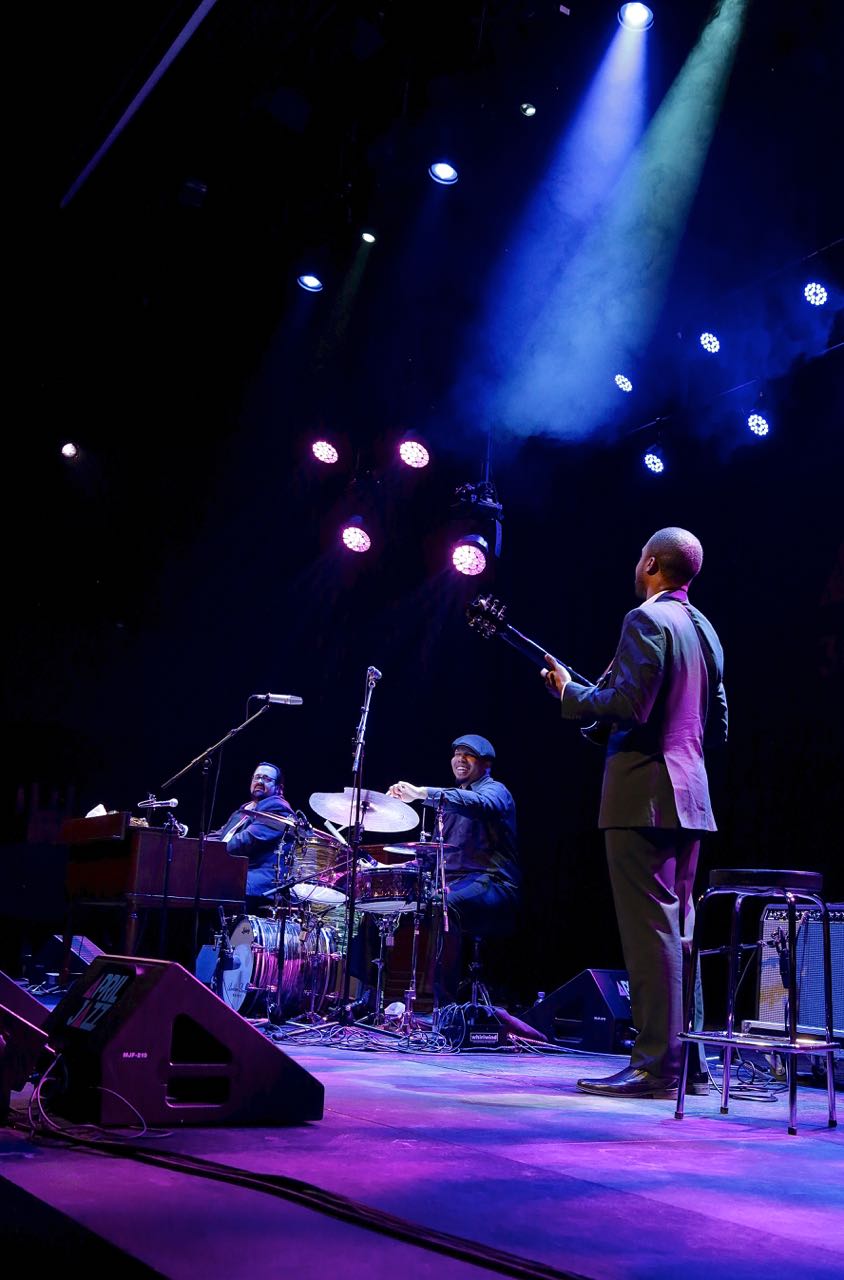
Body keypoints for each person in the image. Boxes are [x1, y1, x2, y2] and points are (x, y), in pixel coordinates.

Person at [541, 527, 727, 1099]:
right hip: (690, 796)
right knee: (679, 935)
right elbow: (717, 724)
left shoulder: (646, 619)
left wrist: (571, 694)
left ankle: (654, 1067)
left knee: (651, 937)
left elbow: (628, 704)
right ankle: (687, 1064)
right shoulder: (704, 629)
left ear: (651, 564)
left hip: (643, 796)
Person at [387, 734, 520, 1003]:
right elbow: (433, 856)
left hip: (492, 883)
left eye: (468, 754)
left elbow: (480, 805)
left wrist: (423, 793)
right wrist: (392, 868)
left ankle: (443, 1006)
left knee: (443, 904)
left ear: (486, 763)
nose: (460, 759)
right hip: (452, 884)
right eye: (457, 754)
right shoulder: (448, 805)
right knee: (381, 904)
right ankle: (370, 996)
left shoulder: (495, 791)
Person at [210, 762, 296, 908]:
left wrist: (211, 852)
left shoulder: (277, 807)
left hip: (257, 879)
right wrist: (195, 845)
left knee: (210, 886)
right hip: (237, 871)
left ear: (279, 788)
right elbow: (221, 835)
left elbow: (245, 841)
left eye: (267, 779)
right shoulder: (245, 808)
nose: (260, 782)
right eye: (257, 777)